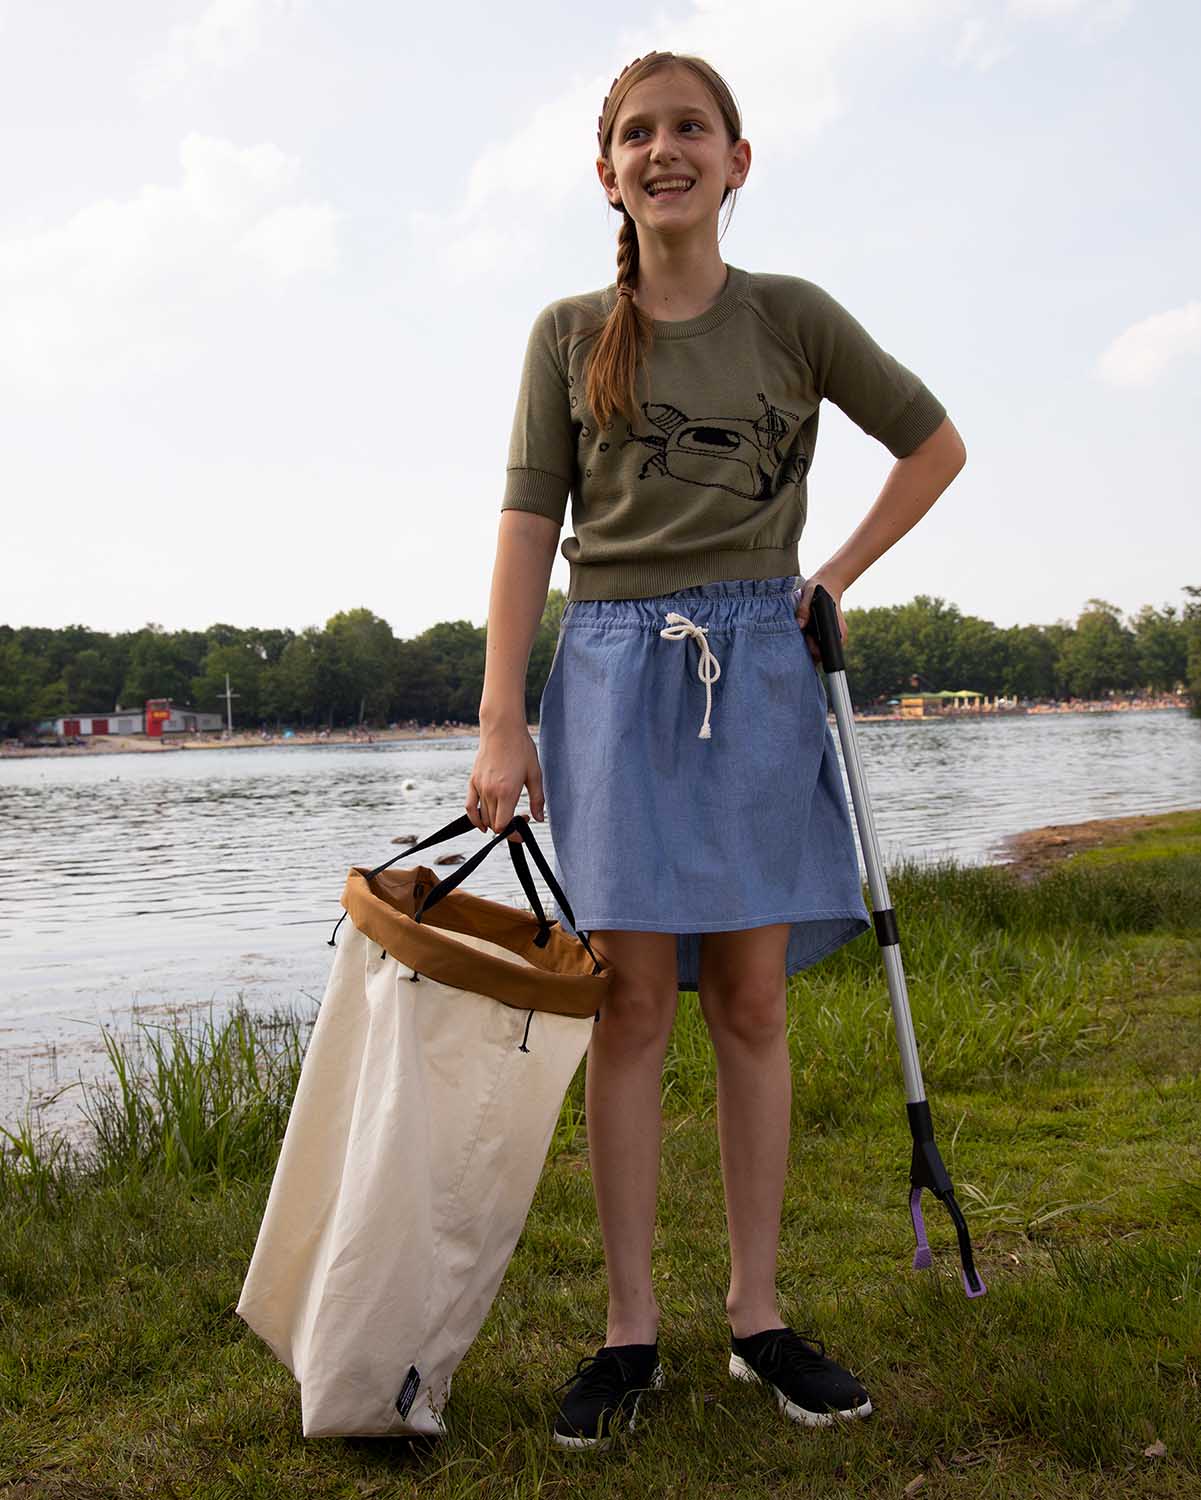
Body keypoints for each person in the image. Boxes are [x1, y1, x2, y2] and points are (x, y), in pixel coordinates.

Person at [467, 51, 966, 1450]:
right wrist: (504, 715)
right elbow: (521, 535)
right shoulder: (567, 333)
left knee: (750, 1001)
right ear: (606, 171)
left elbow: (931, 446)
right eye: (637, 133)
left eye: (689, 128)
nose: (663, 149)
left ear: (737, 160)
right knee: (629, 1007)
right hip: (614, 668)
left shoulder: (792, 318)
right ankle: (629, 1332)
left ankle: (756, 1314)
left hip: (756, 664)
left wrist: (836, 575)